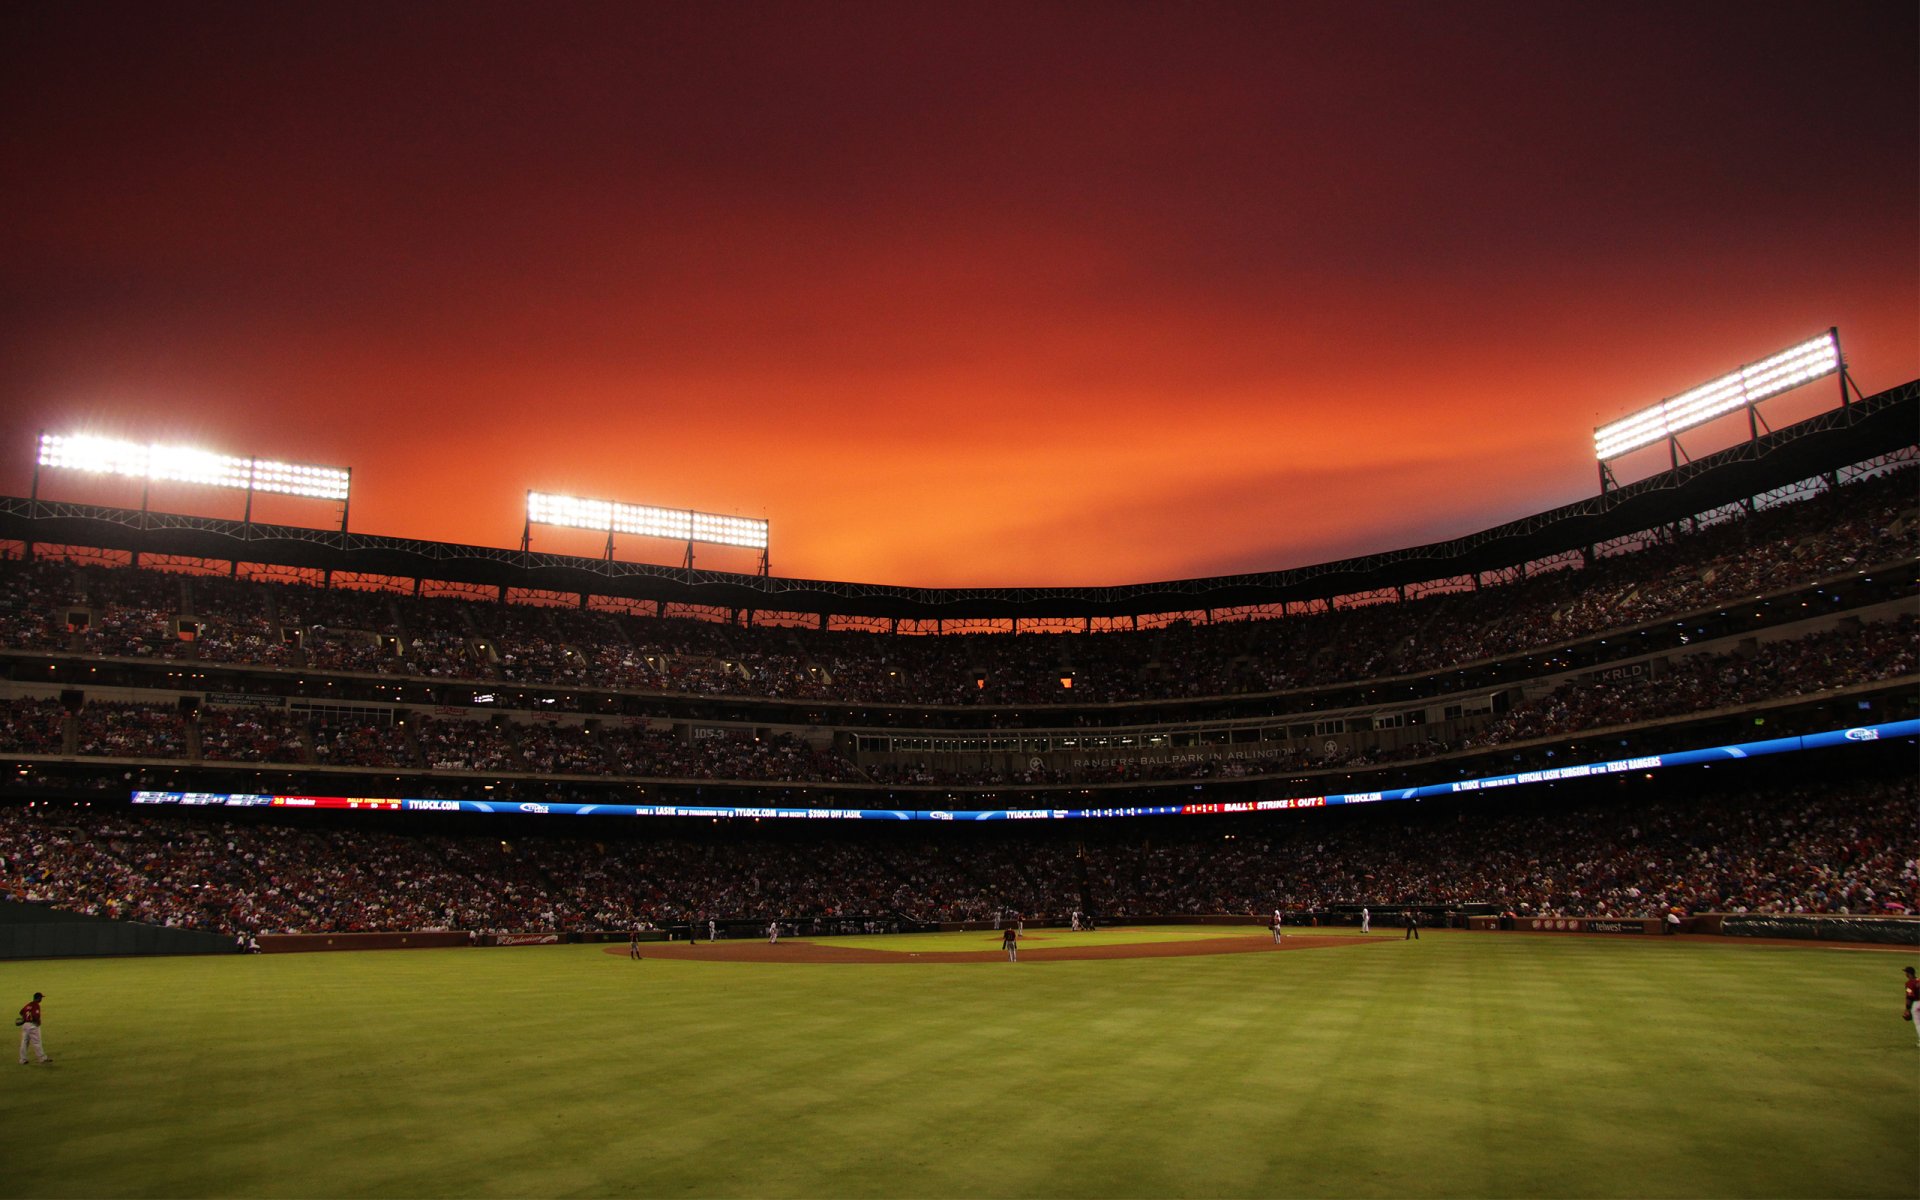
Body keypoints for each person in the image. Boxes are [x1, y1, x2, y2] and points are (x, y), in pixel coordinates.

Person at [17, 992, 49, 1066]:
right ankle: (42, 1058)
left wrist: (25, 1018)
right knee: (37, 1042)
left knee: (24, 1042)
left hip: (25, 1025)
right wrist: (38, 1022)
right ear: (38, 998)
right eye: (41, 998)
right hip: (33, 1026)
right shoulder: (36, 1005)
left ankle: (22, 1059)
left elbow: (21, 1012)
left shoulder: (28, 1004)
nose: (41, 999)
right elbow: (35, 1015)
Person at [1903, 967, 1919, 1047]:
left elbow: (1910, 996)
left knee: (1918, 1024)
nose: (1905, 974)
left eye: (1906, 972)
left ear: (1909, 974)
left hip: (1917, 1004)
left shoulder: (1909, 984)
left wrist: (1907, 1009)